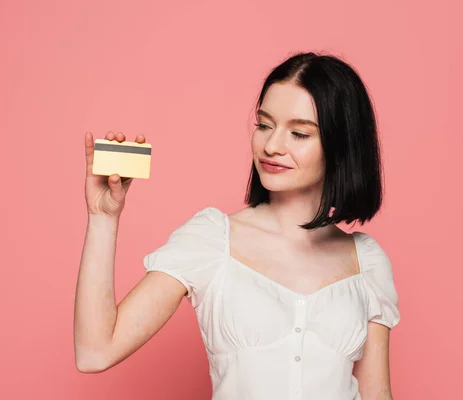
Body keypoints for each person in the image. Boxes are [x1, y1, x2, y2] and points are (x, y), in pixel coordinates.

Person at [74, 52, 401, 400]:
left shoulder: (366, 262)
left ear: (341, 147)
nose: (272, 146)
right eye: (264, 125)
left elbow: (377, 395)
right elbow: (96, 350)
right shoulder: (213, 239)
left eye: (299, 134)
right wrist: (102, 218)